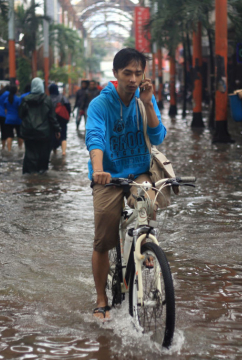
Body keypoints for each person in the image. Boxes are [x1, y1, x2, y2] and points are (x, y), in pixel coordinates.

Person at [86, 48, 165, 320]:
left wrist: (147, 102)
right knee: (103, 238)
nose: (133, 78)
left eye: (138, 73)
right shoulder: (100, 104)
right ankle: (101, 298)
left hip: (139, 173)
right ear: (116, 74)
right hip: (107, 176)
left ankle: (144, 249)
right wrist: (98, 170)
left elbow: (158, 135)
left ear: (144, 74)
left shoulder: (144, 98)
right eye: (127, 73)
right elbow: (94, 137)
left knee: (149, 202)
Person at [19, 78, 60, 174]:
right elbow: (52, 117)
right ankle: (41, 174)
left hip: (29, 131)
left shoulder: (25, 99)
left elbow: (20, 114)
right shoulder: (47, 99)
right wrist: (57, 130)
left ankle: (30, 175)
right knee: (44, 154)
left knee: (29, 153)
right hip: (44, 132)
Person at [48, 83, 71, 156]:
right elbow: (68, 107)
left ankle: (54, 152)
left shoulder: (48, 98)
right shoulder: (62, 97)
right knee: (63, 134)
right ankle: (63, 152)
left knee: (53, 135)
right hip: (62, 118)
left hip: (52, 119)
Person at [2, 85, 24, 151]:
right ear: (16, 91)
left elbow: (5, 110)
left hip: (8, 119)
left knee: (9, 136)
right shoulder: (18, 99)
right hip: (17, 119)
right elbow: (20, 109)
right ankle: (20, 149)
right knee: (19, 136)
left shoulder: (6, 99)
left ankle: (9, 150)